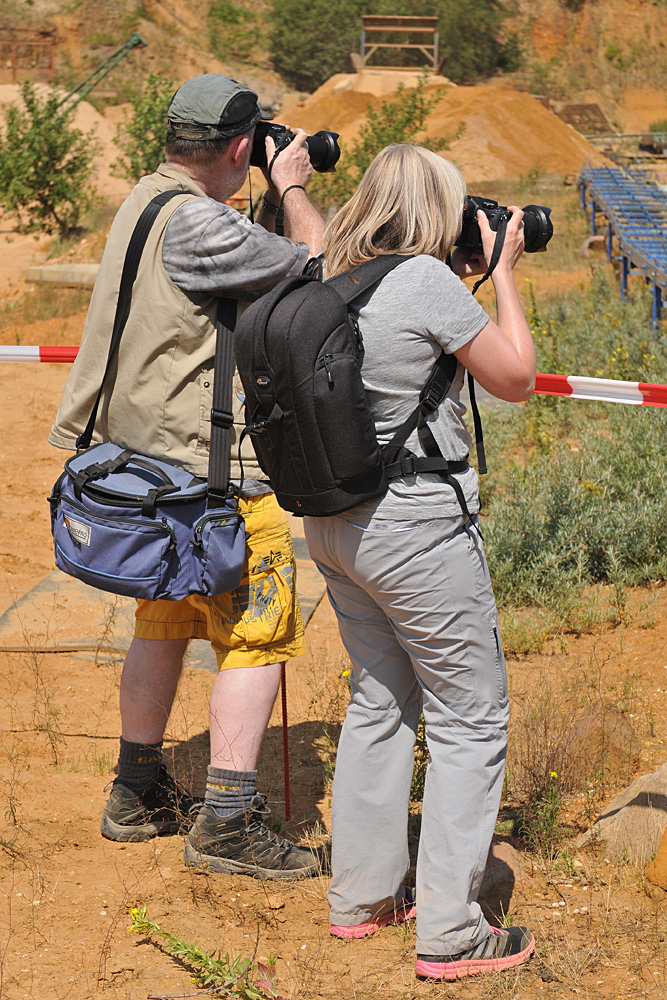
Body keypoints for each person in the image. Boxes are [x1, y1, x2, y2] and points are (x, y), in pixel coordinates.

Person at [48, 74, 325, 879]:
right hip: (217, 485)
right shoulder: (207, 225)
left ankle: (136, 789)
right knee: (257, 637)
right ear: (241, 147)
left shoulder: (146, 199)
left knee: (163, 626)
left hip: (144, 468)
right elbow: (319, 265)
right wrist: (294, 187)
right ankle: (230, 822)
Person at [302, 144, 537, 976]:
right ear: (438, 208)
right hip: (412, 528)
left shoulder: (323, 273)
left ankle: (360, 898)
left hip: (333, 527)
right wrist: (504, 272)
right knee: (470, 718)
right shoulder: (424, 282)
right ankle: (450, 930)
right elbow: (514, 379)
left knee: (378, 699)